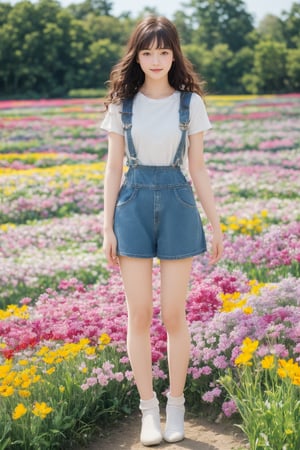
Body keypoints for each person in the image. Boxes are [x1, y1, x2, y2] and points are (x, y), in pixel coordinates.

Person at [101, 15, 223, 447]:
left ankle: (176, 406)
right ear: (137, 54)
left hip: (178, 203)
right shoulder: (123, 103)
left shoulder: (190, 103)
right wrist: (107, 226)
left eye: (164, 51)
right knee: (139, 315)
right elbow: (114, 167)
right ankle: (147, 410)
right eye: (148, 52)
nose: (156, 60)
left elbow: (198, 168)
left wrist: (215, 221)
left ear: (175, 54)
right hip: (131, 206)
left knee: (174, 314)